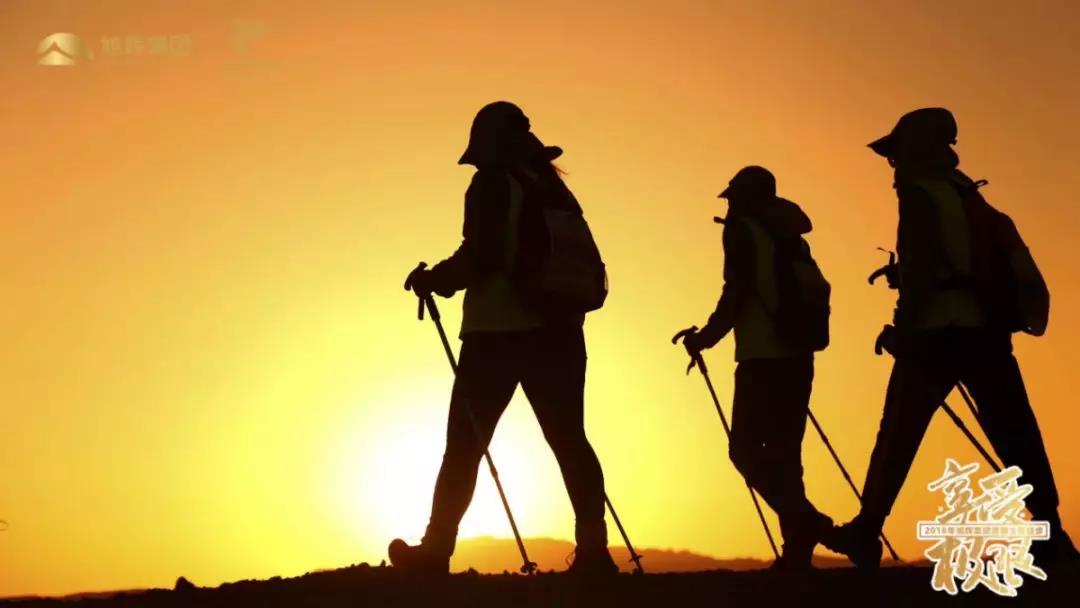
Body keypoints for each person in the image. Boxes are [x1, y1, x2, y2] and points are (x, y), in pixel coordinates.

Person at [827, 108, 1079, 569]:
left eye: (898, 154)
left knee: (897, 435)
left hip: (935, 336)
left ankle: (865, 531)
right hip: (986, 332)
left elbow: (924, 274)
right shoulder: (963, 192)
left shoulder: (918, 195)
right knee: (1016, 433)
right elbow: (957, 261)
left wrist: (902, 328)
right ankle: (1051, 533)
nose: (893, 165)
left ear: (918, 151)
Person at [390, 101, 616, 575]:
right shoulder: (553, 189)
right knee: (570, 440)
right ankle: (595, 551)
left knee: (464, 445)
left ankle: (435, 552)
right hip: (559, 330)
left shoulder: (493, 182)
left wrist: (436, 279)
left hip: (496, 333)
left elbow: (483, 255)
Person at [680, 166, 833, 571]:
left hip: (761, 356)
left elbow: (737, 291)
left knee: (745, 451)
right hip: (798, 352)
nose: (729, 206)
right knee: (786, 455)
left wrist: (706, 338)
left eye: (733, 198)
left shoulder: (743, 231)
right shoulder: (790, 235)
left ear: (745, 199)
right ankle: (797, 553)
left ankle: (808, 524)